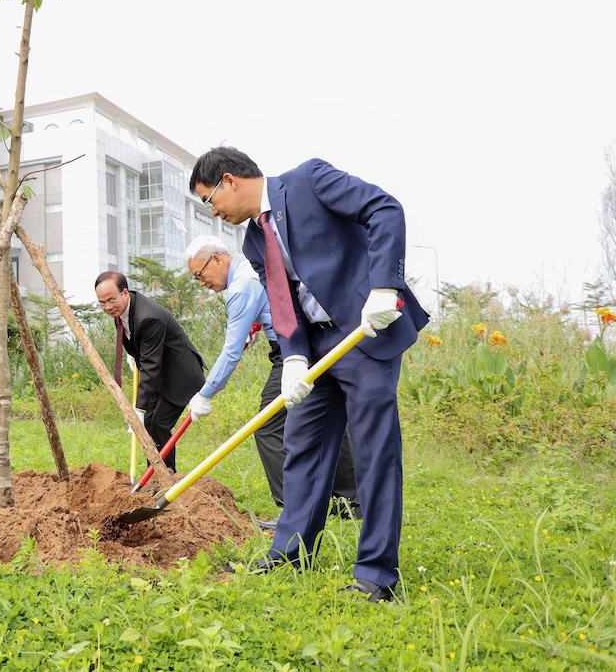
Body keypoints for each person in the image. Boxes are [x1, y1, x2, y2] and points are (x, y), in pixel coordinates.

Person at [189, 147, 427, 603]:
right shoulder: (253, 242)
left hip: (362, 332)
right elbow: (283, 301)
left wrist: (384, 286)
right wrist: (294, 355)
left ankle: (375, 575)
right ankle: (290, 555)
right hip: (316, 348)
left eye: (209, 199)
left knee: (373, 454)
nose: (213, 211)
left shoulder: (309, 181)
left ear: (229, 180)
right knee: (303, 448)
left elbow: (385, 209)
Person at [184, 235, 359, 526]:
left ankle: (295, 512)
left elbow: (230, 352)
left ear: (216, 259)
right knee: (330, 419)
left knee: (268, 426)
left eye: (199, 275)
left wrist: (206, 393)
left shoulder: (241, 286)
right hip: (316, 342)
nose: (201, 283)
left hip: (293, 352)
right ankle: (351, 502)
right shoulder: (248, 269)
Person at [94, 271, 205, 472]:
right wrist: (133, 353)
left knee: (158, 424)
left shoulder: (148, 317)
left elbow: (150, 366)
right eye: (102, 303)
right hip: (159, 375)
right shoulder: (121, 311)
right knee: (148, 425)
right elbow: (141, 347)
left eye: (111, 300)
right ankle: (154, 475)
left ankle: (167, 476)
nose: (108, 307)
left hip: (180, 376)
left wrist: (139, 409)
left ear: (125, 292)